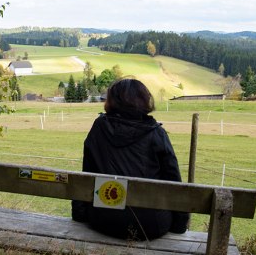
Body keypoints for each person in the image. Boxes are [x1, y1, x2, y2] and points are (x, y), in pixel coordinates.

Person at [71, 78, 189, 240]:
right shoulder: (156, 133)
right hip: (151, 226)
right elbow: (173, 182)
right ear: (144, 101)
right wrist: (179, 225)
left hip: (104, 220)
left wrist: (80, 215)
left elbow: (86, 176)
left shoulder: (99, 128)